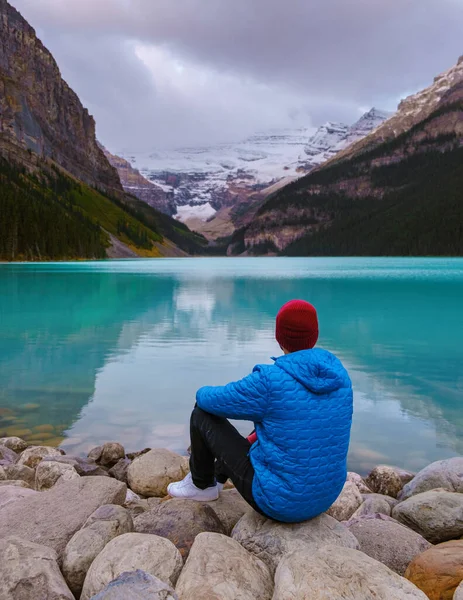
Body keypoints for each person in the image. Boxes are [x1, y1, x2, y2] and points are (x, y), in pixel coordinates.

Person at [167, 299, 353, 523]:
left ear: (279, 336)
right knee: (261, 435)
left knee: (202, 414)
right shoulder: (339, 375)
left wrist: (200, 390)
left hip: (282, 503)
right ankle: (216, 478)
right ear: (314, 335)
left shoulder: (270, 381)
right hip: (326, 496)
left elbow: (208, 400)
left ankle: (201, 485)